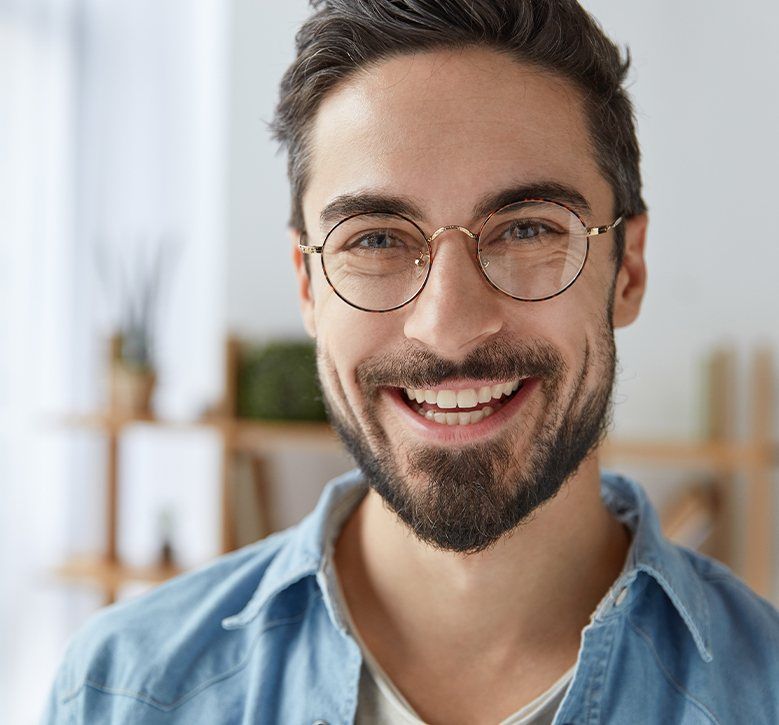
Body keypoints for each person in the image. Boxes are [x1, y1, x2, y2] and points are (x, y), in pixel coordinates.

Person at [44, 1, 779, 723]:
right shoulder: (121, 692)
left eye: (525, 229)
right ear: (307, 286)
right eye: (374, 239)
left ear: (628, 268)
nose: (447, 327)